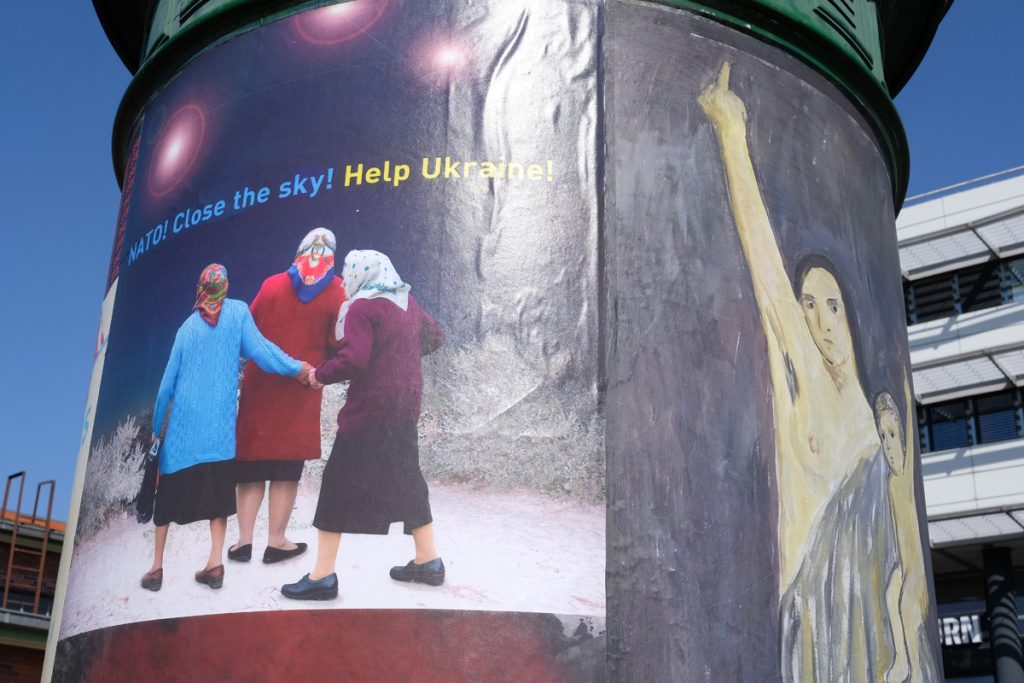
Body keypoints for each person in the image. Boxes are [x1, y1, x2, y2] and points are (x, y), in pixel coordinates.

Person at [699, 62, 912, 679]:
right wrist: (732, 135)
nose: (820, 322)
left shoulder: (879, 421)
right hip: (816, 621)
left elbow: (901, 556)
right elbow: (766, 270)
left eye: (833, 306)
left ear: (851, 313)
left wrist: (902, 648)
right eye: (810, 306)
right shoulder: (804, 380)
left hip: (874, 633)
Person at [281, 250, 444, 601]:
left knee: (338, 482)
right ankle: (428, 561)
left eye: (348, 273)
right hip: (405, 406)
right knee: (407, 478)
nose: (346, 279)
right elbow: (436, 337)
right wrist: (400, 360)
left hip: (371, 409)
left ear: (360, 274)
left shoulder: (362, 307)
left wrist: (318, 375)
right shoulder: (407, 302)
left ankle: (322, 576)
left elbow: (354, 357)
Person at [140, 264, 310, 592]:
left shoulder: (185, 330)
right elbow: (262, 353)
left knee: (167, 504)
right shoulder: (237, 313)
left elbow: (165, 388)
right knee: (217, 501)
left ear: (199, 289)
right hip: (219, 439)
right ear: (227, 285)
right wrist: (296, 367)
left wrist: (156, 430)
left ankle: (157, 568)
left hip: (180, 441)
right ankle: (215, 563)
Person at [229, 228, 347, 565]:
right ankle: (276, 542)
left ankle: (243, 543)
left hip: (259, 389)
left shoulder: (271, 285)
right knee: (285, 469)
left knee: (252, 466)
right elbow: (340, 342)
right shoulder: (337, 290)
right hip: (301, 389)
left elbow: (247, 331)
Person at [875, 380, 941, 682]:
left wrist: (902, 384)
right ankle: (901, 659)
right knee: (890, 594)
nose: (889, 446)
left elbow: (911, 427)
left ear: (902, 436)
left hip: (916, 568)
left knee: (904, 604)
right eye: (883, 437)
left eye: (892, 435)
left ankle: (914, 667)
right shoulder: (889, 482)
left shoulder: (908, 475)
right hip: (904, 564)